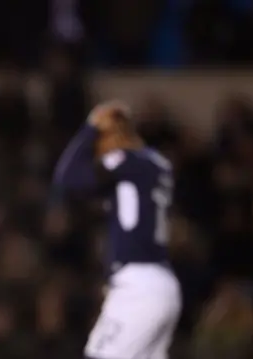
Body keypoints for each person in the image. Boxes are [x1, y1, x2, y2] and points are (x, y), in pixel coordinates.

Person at [52, 101, 181, 359]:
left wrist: (90, 127)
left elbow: (67, 178)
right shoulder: (156, 165)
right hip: (162, 284)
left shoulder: (126, 159)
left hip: (138, 287)